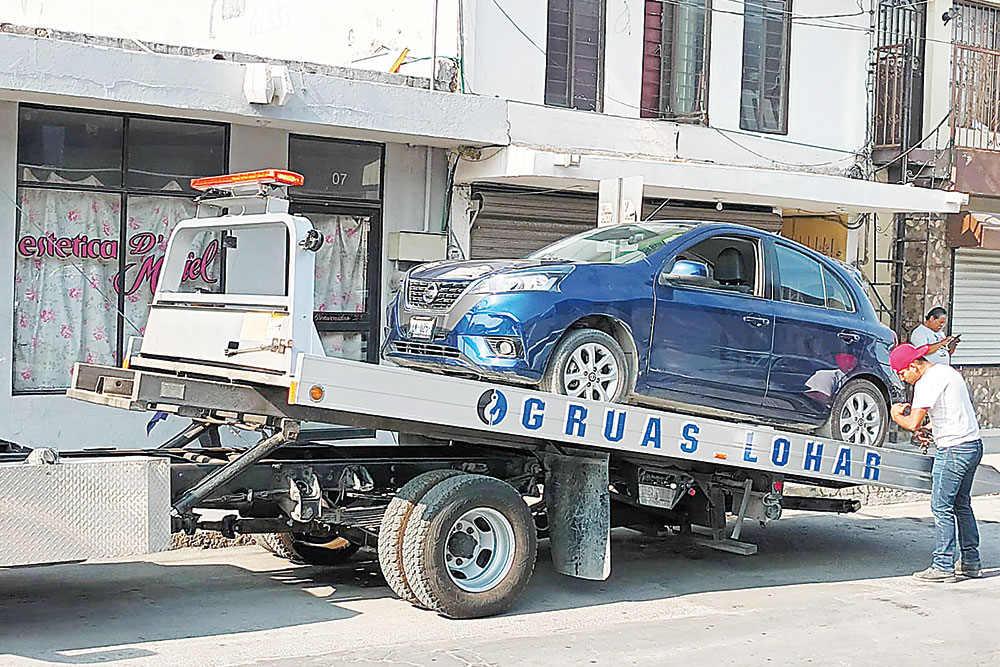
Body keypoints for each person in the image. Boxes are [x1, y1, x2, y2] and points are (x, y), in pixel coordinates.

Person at [889, 342, 984, 583]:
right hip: (972, 445)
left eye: (902, 373)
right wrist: (927, 428)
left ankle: (943, 565)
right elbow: (950, 412)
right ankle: (971, 562)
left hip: (953, 450)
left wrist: (895, 415)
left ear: (913, 366)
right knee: (962, 504)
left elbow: (910, 422)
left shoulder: (926, 383)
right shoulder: (947, 371)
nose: (903, 378)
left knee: (942, 507)